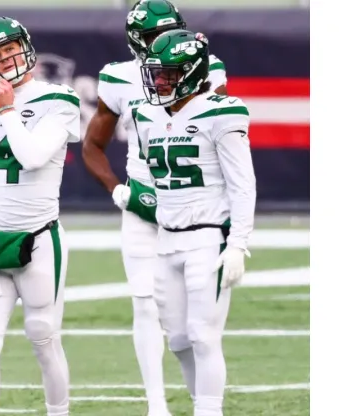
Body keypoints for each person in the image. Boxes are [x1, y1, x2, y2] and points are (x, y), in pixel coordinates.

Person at [80, 1, 228, 414]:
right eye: (150, 37)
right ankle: (156, 404)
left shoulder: (207, 66)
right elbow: (92, 145)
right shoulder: (119, 76)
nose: (161, 44)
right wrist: (117, 188)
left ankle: (205, 402)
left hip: (192, 203)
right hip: (144, 202)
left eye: (168, 34)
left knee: (197, 326)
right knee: (145, 304)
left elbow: (216, 129)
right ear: (134, 43)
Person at [0, 16, 81, 416]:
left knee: (43, 336)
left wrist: (6, 111)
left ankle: (59, 412)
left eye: (10, 50)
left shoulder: (59, 99)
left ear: (26, 47)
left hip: (39, 239)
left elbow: (33, 156)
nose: (6, 59)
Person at [135, 29, 256, 416]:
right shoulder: (145, 114)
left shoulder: (223, 111)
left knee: (204, 335)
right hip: (166, 239)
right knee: (179, 340)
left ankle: (209, 410)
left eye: (169, 73)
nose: (159, 81)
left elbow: (242, 184)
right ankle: (201, 404)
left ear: (192, 71)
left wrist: (238, 243)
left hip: (207, 238)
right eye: (157, 73)